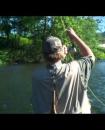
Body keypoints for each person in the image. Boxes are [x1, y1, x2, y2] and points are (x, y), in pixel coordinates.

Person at [32, 28, 95, 114]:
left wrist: (61, 54)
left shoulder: (36, 75)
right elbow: (90, 56)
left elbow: (54, 66)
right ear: (61, 51)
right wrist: (74, 36)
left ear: (43, 55)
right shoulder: (75, 67)